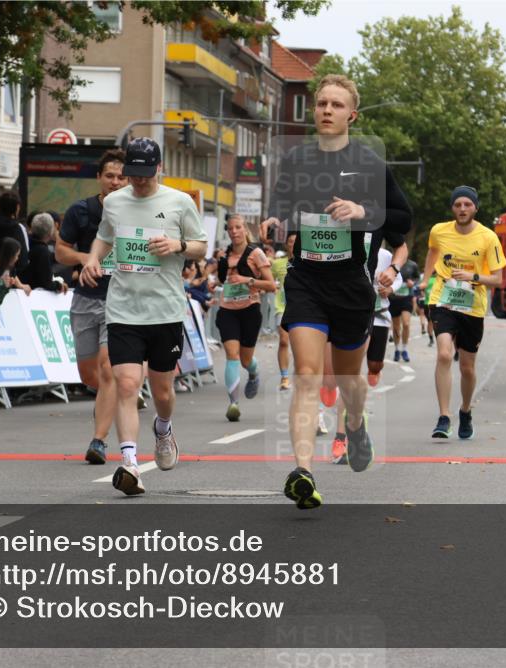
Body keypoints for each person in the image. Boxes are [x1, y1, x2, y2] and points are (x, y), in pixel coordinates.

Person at [261, 74, 412, 509]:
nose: (326, 109)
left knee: (350, 381)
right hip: (307, 279)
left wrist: (363, 210)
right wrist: (275, 221)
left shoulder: (369, 164)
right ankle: (303, 472)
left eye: (336, 104)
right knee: (308, 375)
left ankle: (357, 422)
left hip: (352, 285)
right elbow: (280, 204)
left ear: (352, 115)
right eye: (321, 103)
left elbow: (402, 217)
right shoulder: (298, 161)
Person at [80, 137, 207, 496]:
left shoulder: (179, 202)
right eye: (131, 175)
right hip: (123, 309)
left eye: (144, 175)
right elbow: (104, 238)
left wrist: (178, 246)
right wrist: (93, 259)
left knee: (163, 391)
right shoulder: (116, 202)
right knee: (126, 384)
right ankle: (130, 463)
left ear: (159, 169)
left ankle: (163, 429)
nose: (136, 182)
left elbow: (201, 245)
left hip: (164, 310)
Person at [55, 149, 127, 464]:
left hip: (122, 300)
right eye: (109, 175)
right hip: (86, 298)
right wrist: (87, 258)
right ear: (99, 178)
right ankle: (119, 395)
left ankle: (98, 441)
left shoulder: (137, 213)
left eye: (121, 176)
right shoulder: (81, 211)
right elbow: (60, 252)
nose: (115, 181)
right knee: (88, 374)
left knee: (108, 366)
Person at [420, 186, 506, 440]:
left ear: (475, 208)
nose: (462, 209)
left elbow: (499, 279)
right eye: (457, 205)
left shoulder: (488, 237)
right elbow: (432, 252)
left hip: (472, 304)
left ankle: (465, 410)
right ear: (452, 208)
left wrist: (472, 276)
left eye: (467, 205)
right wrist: (426, 279)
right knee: (445, 354)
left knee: (467, 367)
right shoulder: (439, 230)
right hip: (443, 300)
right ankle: (444, 417)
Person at [331, 238, 408, 464]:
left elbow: (399, 276)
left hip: (379, 316)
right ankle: (341, 437)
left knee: (374, 367)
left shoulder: (384, 255)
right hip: (354, 316)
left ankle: (374, 372)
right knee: (350, 377)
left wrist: (390, 287)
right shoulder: (343, 248)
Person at [216, 213, 275, 421]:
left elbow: (271, 285)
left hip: (250, 310)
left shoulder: (256, 253)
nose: (234, 232)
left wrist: (247, 280)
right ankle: (234, 404)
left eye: (238, 227)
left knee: (245, 359)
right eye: (230, 228)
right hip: (227, 310)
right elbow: (222, 280)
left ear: (245, 230)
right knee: (232, 355)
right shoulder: (224, 255)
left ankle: (253, 372)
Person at [270, 233, 297, 391]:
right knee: (284, 340)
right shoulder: (278, 263)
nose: (293, 244)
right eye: (290, 242)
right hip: (282, 307)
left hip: (300, 307)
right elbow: (268, 278)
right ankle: (285, 376)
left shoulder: (306, 262)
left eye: (296, 242)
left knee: (299, 344)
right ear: (286, 245)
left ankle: (300, 373)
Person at [23, 212, 67, 293]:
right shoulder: (42, 251)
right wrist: (58, 285)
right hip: (34, 296)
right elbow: (47, 282)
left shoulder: (26, 242)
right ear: (50, 231)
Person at [389, 258, 419, 362]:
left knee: (406, 324)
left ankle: (404, 349)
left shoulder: (412, 264)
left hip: (407, 298)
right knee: (396, 326)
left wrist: (413, 283)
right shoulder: (391, 262)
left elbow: (417, 278)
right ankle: (397, 350)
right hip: (393, 298)